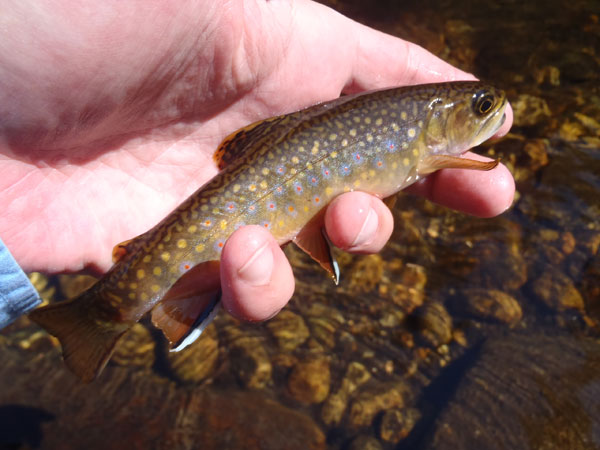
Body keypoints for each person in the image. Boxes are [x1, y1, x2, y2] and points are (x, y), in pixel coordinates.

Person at [0, 0, 514, 328]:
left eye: (483, 107)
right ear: (438, 121)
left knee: (328, 231)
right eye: (481, 108)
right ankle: (107, 312)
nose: (491, 112)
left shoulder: (428, 141)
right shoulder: (433, 143)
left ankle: (123, 306)